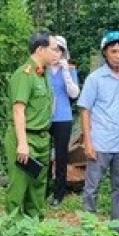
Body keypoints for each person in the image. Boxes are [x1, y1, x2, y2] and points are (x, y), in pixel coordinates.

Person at [78, 30, 119, 232]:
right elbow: (85, 110)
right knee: (92, 186)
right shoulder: (95, 79)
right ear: (105, 53)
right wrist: (88, 141)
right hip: (101, 140)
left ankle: (118, 225)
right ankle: (88, 226)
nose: (118, 55)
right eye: (113, 51)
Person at [5, 30, 59, 217]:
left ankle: (34, 229)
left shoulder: (43, 75)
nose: (57, 53)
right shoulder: (25, 74)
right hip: (25, 137)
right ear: (40, 49)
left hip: (42, 138)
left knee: (38, 188)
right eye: (53, 49)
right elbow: (18, 110)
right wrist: (22, 143)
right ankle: (12, 231)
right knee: (19, 186)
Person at [47, 35, 80, 207]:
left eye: (59, 50)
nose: (55, 54)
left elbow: (74, 94)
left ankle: (58, 193)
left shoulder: (69, 69)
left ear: (63, 52)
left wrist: (66, 71)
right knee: (44, 154)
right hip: (44, 118)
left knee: (61, 157)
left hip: (63, 117)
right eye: (53, 49)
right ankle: (42, 190)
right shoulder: (42, 69)